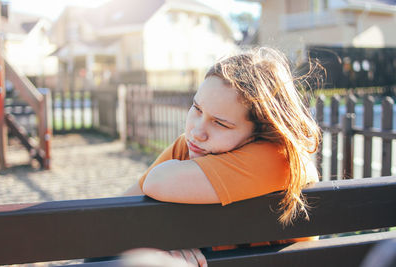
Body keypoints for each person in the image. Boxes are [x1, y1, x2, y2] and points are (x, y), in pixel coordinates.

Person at [124, 47, 321, 267]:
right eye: (197, 109)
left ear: (262, 129)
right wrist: (164, 239)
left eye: (220, 123)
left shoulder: (281, 158)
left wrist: (166, 236)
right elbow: (116, 212)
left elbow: (156, 181)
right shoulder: (189, 146)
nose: (197, 131)